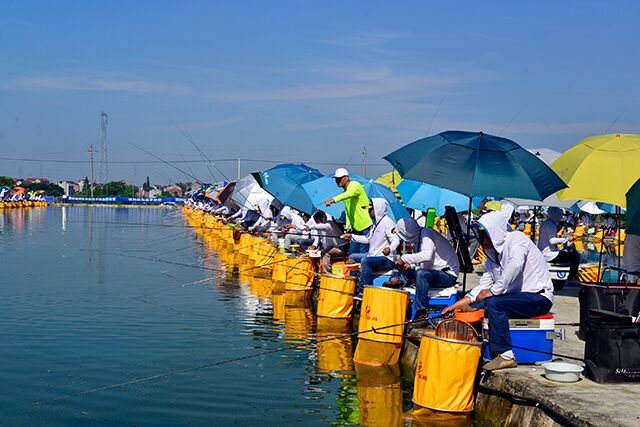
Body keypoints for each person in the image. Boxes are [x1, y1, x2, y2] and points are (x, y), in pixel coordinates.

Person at [442, 211, 554, 371]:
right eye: (480, 236)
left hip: (539, 297)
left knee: (494, 303)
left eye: (485, 235)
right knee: (480, 303)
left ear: (494, 231)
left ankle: (506, 355)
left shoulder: (516, 239)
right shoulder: (492, 257)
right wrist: (455, 306)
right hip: (517, 298)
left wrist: (494, 291)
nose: (482, 240)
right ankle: (474, 340)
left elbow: (515, 265)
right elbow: (481, 289)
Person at [395, 217, 460, 318]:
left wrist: (404, 258)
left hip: (448, 275)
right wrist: (410, 265)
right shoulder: (419, 238)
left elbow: (426, 255)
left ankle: (421, 313)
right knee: (406, 272)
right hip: (435, 272)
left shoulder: (427, 234)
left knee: (421, 274)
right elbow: (424, 264)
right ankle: (400, 306)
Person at [345, 198, 398, 293]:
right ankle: (353, 287)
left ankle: (364, 291)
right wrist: (351, 236)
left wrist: (390, 249)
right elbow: (367, 239)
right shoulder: (374, 224)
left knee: (365, 261)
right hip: (373, 256)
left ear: (378, 209)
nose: (368, 211)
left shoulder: (388, 223)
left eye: (371, 209)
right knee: (352, 257)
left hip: (386, 260)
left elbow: (396, 239)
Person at [324, 168, 373, 256]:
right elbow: (348, 211)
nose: (337, 181)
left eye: (339, 178)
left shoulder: (355, 185)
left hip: (366, 226)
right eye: (336, 179)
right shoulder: (345, 192)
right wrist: (348, 227)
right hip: (355, 228)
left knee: (362, 256)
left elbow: (349, 194)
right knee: (352, 255)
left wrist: (333, 200)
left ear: (346, 178)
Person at [538, 207, 580, 281]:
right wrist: (566, 239)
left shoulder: (546, 223)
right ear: (555, 215)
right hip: (550, 255)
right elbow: (552, 240)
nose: (560, 217)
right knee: (575, 256)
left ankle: (568, 275)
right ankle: (571, 278)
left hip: (545, 253)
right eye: (559, 215)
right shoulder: (551, 225)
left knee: (568, 254)